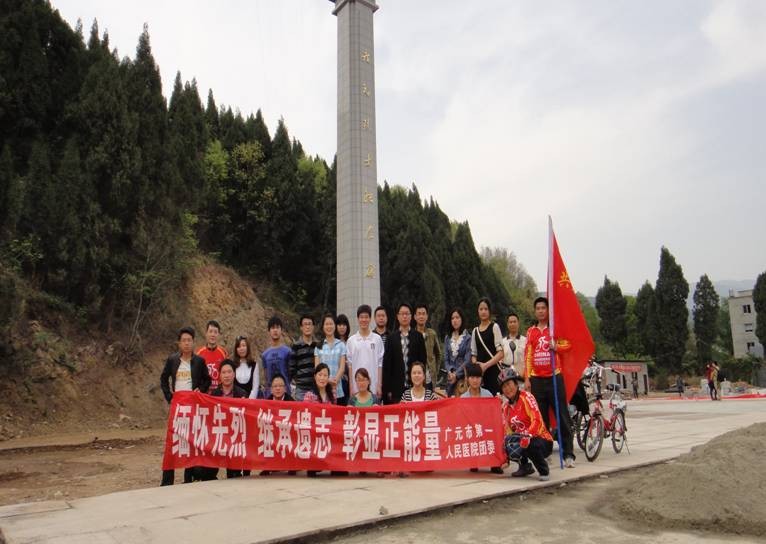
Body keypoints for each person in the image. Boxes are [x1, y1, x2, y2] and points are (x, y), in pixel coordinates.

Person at [524, 296, 576, 468]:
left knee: (562, 415)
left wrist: (556, 347)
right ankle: (545, 452)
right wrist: (527, 378)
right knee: (541, 419)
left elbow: (568, 345)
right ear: (535, 311)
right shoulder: (531, 331)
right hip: (537, 380)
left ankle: (568, 454)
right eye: (538, 308)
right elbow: (528, 355)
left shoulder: (554, 329)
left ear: (548, 310)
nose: (540, 311)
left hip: (554, 377)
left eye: (543, 308)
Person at [160, 326, 211, 486]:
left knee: (190, 441)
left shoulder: (199, 361)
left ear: (193, 342)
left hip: (192, 408)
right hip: (177, 408)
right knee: (172, 442)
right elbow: (163, 379)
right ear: (179, 343)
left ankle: (188, 479)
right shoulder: (172, 360)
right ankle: (167, 481)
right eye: (184, 340)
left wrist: (200, 390)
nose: (187, 343)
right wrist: (169, 396)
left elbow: (207, 380)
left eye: (189, 340)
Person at [500, 368, 553, 481]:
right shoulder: (505, 407)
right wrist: (505, 456)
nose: (507, 389)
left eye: (509, 384)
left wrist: (528, 435)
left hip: (541, 439)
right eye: (504, 387)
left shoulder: (527, 397)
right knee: (507, 443)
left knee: (530, 443)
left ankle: (544, 470)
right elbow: (507, 432)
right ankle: (524, 467)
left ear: (516, 384)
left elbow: (537, 420)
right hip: (523, 441)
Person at [383, 303, 427, 404]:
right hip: (396, 389)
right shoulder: (391, 338)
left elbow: (423, 361)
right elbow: (387, 365)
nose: (404, 316)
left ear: (411, 316)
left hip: (415, 387)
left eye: (407, 314)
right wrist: (388, 388)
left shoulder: (418, 337)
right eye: (402, 314)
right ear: (398, 316)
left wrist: (422, 382)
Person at [346, 305, 385, 399]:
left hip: (373, 386)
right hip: (356, 387)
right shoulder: (351, 341)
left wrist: (379, 385)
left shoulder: (377, 339)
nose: (364, 320)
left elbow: (380, 364)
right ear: (358, 319)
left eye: (366, 317)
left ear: (370, 319)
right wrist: (351, 386)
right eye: (361, 317)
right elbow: (350, 366)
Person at [470, 297, 504, 396]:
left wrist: (485, 365)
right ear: (478, 311)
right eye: (481, 309)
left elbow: (501, 353)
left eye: (486, 309)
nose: (483, 311)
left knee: (495, 399)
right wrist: (477, 366)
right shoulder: (475, 331)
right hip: (480, 375)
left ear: (489, 311)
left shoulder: (494, 327)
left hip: (494, 372)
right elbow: (473, 354)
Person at [314, 313, 347, 404]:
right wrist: (327, 380)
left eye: (331, 324)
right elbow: (317, 368)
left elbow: (342, 367)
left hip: (337, 388)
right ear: (323, 327)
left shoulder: (341, 345)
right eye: (326, 324)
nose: (329, 326)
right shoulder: (318, 346)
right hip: (322, 389)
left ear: (335, 326)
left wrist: (335, 380)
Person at [444, 307, 472, 397]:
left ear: (462, 319)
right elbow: (446, 359)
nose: (455, 320)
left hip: (462, 379)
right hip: (450, 379)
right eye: (452, 318)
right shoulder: (447, 338)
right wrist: (450, 372)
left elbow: (468, 360)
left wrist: (456, 374)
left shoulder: (468, 338)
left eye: (457, 317)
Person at [262, 316, 292, 398]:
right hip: (270, 393)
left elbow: (290, 373)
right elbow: (266, 377)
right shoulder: (265, 354)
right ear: (269, 331)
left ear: (281, 330)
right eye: (272, 328)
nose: (275, 330)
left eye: (277, 327)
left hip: (285, 392)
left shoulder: (288, 352)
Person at [415, 303, 442, 391]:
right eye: (419, 314)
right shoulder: (412, 334)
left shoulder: (432, 334)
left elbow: (438, 354)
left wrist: (435, 371)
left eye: (423, 314)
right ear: (415, 317)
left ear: (427, 316)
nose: (421, 316)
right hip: (415, 377)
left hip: (429, 377)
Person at [290, 314, 318, 401]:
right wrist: (299, 380)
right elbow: (292, 367)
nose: (307, 327)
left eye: (310, 324)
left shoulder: (318, 345)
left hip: (316, 388)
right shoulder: (296, 346)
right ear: (301, 327)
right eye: (305, 324)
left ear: (313, 327)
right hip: (301, 389)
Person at [195, 320, 228, 391]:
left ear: (218, 335)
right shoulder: (199, 353)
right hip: (204, 392)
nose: (213, 335)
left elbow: (227, 373)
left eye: (215, 332)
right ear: (206, 333)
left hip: (219, 393)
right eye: (210, 331)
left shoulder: (223, 353)